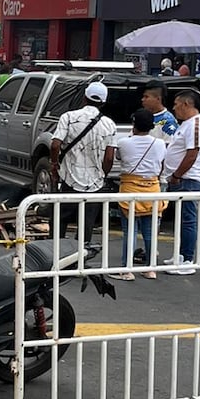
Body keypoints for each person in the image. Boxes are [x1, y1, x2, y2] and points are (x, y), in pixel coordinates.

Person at [50, 81, 117, 250]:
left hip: (69, 179)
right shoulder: (109, 124)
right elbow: (109, 157)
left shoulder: (68, 117)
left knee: (60, 219)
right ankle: (79, 257)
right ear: (103, 102)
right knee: (86, 224)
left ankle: (55, 254)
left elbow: (55, 145)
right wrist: (103, 174)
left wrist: (54, 164)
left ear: (84, 98)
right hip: (94, 183)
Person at [161, 89, 200, 272]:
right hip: (182, 179)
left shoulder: (195, 124)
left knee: (188, 219)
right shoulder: (187, 124)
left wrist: (177, 175)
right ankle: (181, 255)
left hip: (188, 179)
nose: (174, 108)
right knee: (182, 219)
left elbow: (192, 153)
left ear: (186, 104)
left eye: (176, 104)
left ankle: (187, 260)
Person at [113, 107, 162, 279]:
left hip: (130, 189)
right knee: (149, 232)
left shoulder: (123, 142)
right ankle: (150, 269)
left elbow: (119, 157)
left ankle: (127, 270)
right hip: (153, 189)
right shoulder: (159, 143)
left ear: (134, 125)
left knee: (130, 231)